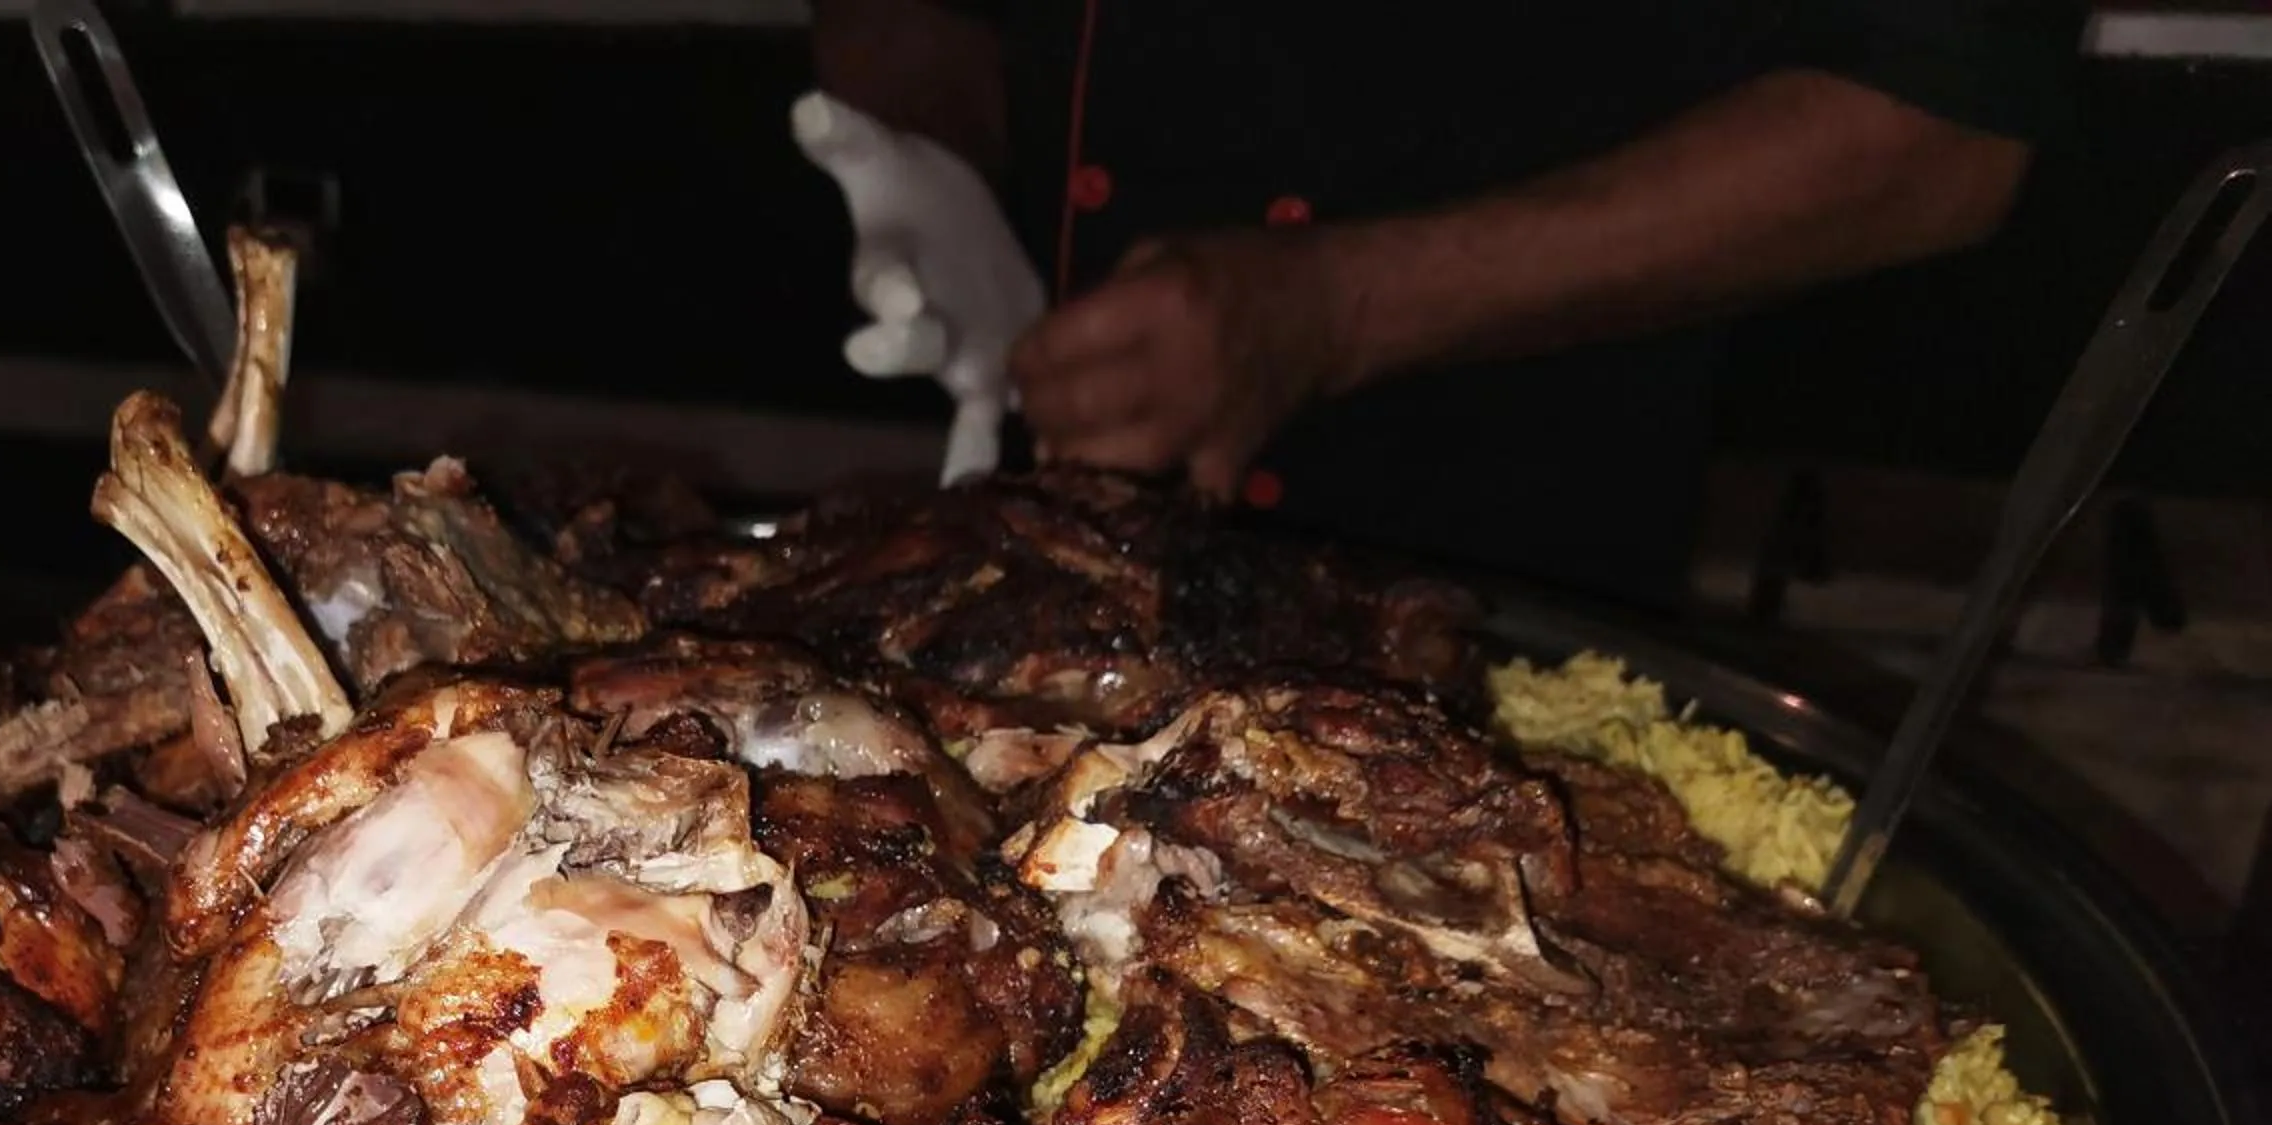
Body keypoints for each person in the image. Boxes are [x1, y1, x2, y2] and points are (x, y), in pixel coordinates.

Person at [804, 1, 2079, 605]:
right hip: (1039, 523)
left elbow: (1942, 129)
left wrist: (1336, 309)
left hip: (1507, 539)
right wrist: (934, 157)